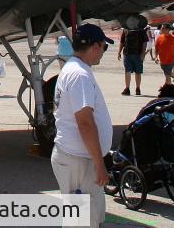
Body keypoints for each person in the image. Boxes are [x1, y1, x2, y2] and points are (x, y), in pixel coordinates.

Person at [51, 23, 112, 228]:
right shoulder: (80, 75)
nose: (103, 52)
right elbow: (85, 123)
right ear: (95, 46)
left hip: (76, 159)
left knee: (83, 219)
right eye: (104, 46)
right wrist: (99, 164)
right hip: (79, 163)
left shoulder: (73, 69)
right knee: (82, 222)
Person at [117, 24, 148, 96]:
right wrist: (119, 51)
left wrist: (143, 53)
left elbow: (145, 42)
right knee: (131, 71)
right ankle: (131, 88)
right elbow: (122, 41)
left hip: (135, 54)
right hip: (130, 53)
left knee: (135, 72)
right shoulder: (128, 29)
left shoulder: (140, 30)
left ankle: (135, 88)